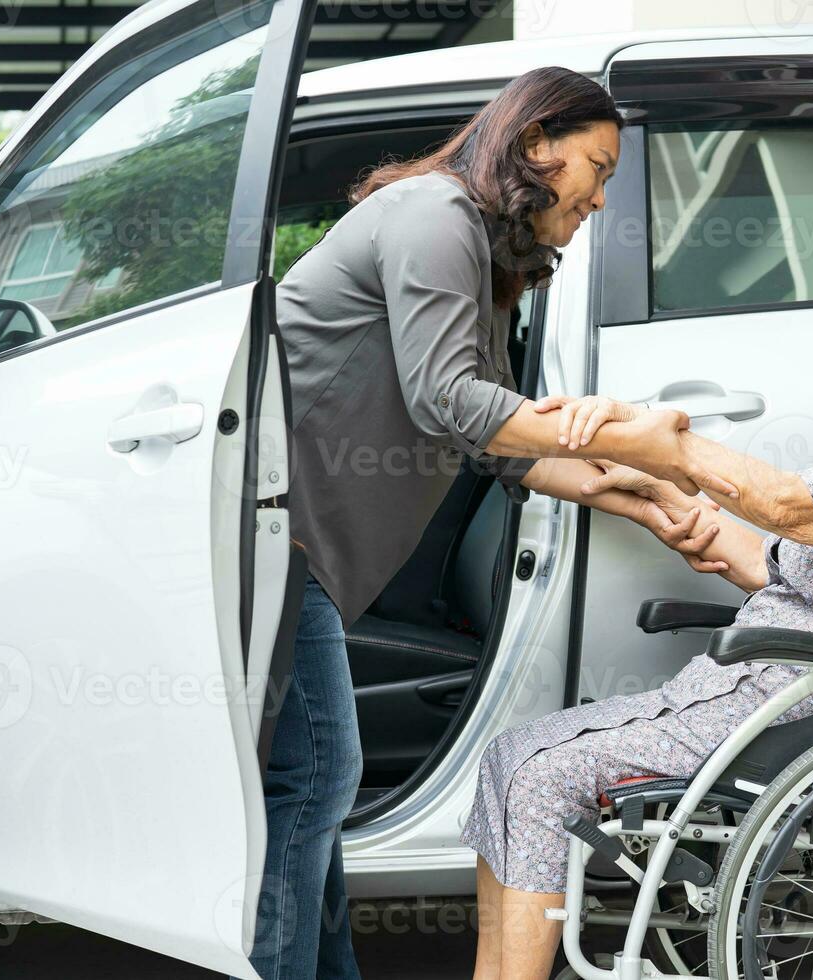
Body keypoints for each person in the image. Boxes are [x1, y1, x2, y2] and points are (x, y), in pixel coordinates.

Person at [244, 66, 731, 980]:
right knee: (315, 779)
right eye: (598, 165)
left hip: (298, 550)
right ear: (536, 142)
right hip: (277, 539)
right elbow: (446, 399)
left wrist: (620, 487)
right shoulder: (434, 216)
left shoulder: (467, 244)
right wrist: (642, 438)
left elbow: (495, 438)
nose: (598, 195)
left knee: (307, 794)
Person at [460, 227, 813, 980]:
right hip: (772, 688)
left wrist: (673, 446)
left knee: (544, 776)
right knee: (511, 757)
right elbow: (781, 559)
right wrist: (658, 490)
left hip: (802, 704)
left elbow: (783, 505)